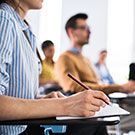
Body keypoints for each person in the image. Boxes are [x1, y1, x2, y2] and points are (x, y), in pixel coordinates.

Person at [0, 1, 110, 135]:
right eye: (84, 28)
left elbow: (13, 92)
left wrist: (40, 99)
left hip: (25, 126)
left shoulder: (23, 29)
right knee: (95, 125)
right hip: (18, 130)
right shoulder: (4, 20)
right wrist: (65, 105)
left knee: (97, 123)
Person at [55, 13, 135, 95]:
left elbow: (98, 83)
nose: (89, 31)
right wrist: (119, 88)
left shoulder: (86, 59)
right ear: (71, 31)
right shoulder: (65, 58)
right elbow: (74, 88)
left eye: (89, 28)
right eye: (84, 28)